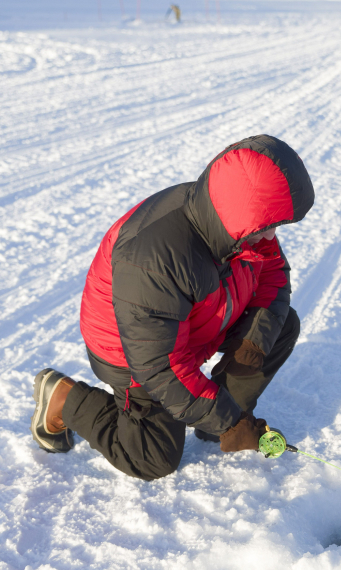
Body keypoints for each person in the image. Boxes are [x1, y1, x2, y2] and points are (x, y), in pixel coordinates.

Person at [29, 134, 314, 480]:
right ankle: (64, 398)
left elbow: (273, 278)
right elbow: (161, 366)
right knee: (154, 458)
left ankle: (219, 419)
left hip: (193, 326)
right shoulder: (154, 259)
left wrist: (251, 344)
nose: (271, 238)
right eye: (268, 228)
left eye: (275, 227)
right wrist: (229, 422)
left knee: (278, 327)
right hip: (133, 354)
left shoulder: (239, 224)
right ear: (243, 212)